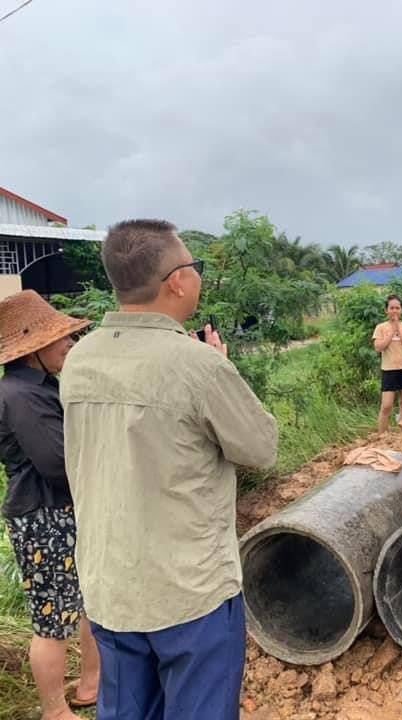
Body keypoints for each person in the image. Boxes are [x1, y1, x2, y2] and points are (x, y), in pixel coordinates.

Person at [60, 219, 279, 720]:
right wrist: (221, 367)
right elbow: (261, 448)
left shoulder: (80, 358)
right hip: (189, 592)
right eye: (194, 266)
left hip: (111, 584)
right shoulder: (198, 366)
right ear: (176, 281)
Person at [0, 291, 100, 720]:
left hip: (59, 511)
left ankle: (92, 683)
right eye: (63, 338)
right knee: (52, 619)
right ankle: (54, 710)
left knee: (88, 601)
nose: (70, 344)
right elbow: (58, 463)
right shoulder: (21, 395)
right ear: (34, 348)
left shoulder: (37, 387)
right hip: (43, 516)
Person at [373, 295, 402, 432]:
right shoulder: (381, 327)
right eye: (391, 308)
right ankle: (382, 435)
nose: (394, 311)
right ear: (386, 310)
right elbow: (378, 347)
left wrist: (398, 328)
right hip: (389, 369)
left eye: (397, 308)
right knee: (386, 405)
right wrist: (392, 331)